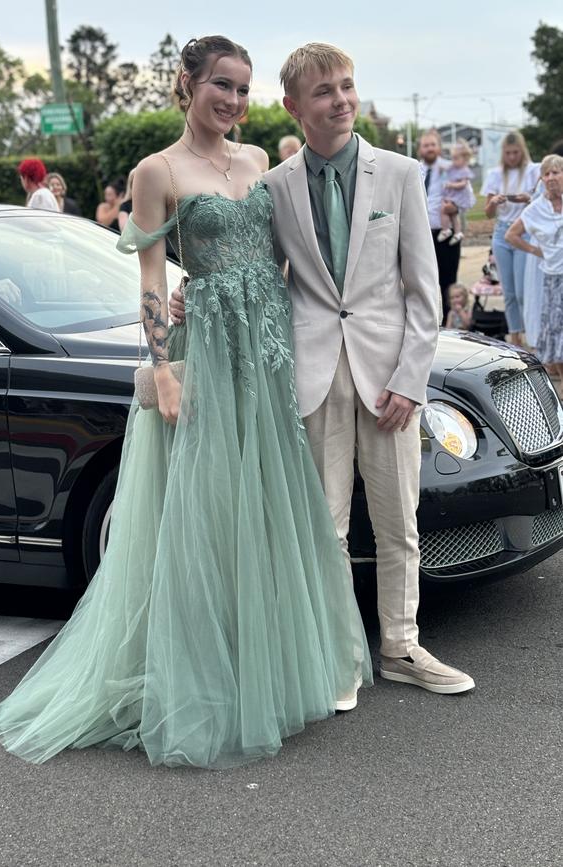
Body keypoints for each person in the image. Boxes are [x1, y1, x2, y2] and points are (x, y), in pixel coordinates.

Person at [0, 35, 372, 769]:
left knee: (266, 511)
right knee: (206, 513)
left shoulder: (259, 161)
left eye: (242, 89)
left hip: (266, 352)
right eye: (220, 86)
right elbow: (151, 281)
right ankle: (211, 679)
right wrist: (163, 368)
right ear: (187, 85)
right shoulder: (156, 169)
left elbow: (284, 255)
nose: (232, 101)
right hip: (208, 360)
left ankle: (271, 668)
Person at [173, 43, 474, 695]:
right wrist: (190, 291)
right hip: (309, 375)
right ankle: (340, 660)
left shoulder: (397, 175)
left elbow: (424, 291)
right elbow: (257, 270)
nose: (340, 100)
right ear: (293, 107)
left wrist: (409, 377)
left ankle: (401, 646)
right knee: (324, 530)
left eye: (346, 87)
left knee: (400, 525)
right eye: (323, 92)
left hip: (389, 378)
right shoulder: (274, 186)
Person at [505, 154, 563, 380]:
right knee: (556, 332)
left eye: (556, 172)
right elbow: (511, 235)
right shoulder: (536, 209)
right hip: (553, 277)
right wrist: (535, 251)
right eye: (546, 174)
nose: (551, 178)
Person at [481, 131, 540, 345]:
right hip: (502, 233)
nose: (512, 157)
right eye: (508, 153)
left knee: (524, 290)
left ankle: (531, 333)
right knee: (509, 291)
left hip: (523, 231)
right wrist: (494, 202)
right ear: (503, 154)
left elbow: (542, 201)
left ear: (522, 151)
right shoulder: (495, 174)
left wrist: (528, 198)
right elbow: (487, 213)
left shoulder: (534, 171)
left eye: (516, 153)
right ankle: (515, 335)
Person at [419, 129, 460, 323]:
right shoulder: (414, 170)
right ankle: (428, 322)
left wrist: (456, 206)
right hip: (422, 235)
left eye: (433, 145)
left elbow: (466, 196)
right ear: (420, 149)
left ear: (439, 148)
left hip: (446, 233)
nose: (429, 149)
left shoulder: (450, 169)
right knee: (424, 281)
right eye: (426, 145)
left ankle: (449, 324)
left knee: (447, 281)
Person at [437, 140, 476, 245]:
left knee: (444, 210)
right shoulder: (453, 167)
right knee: (453, 214)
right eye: (452, 158)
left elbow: (463, 184)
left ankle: (446, 230)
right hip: (452, 195)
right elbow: (444, 166)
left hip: (459, 197)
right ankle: (457, 233)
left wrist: (451, 185)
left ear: (465, 159)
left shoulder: (464, 170)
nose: (453, 161)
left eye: (456, 158)